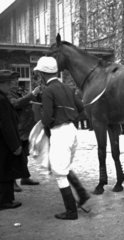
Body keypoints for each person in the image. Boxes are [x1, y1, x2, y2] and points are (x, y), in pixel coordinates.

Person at [33, 56, 90, 220]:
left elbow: (47, 119)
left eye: (39, 74)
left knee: (59, 173)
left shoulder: (48, 91)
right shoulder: (67, 88)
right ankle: (82, 194)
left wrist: (49, 123)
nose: (38, 77)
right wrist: (68, 115)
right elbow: (81, 108)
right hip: (72, 131)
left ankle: (71, 211)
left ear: (43, 74)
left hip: (59, 132)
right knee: (64, 166)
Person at [0, 70, 30, 210]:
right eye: (7, 83)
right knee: (6, 171)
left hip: (4, 141)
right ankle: (5, 201)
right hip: (5, 143)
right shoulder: (2, 100)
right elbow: (6, 125)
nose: (10, 85)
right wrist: (15, 146)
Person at [7, 73, 41, 192]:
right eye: (12, 80)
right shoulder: (7, 93)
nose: (15, 82)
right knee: (15, 156)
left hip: (26, 127)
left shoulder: (21, 90)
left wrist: (37, 94)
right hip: (17, 128)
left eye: (16, 79)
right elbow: (15, 104)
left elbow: (32, 100)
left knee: (25, 154)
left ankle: (25, 177)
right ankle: (13, 181)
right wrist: (32, 94)